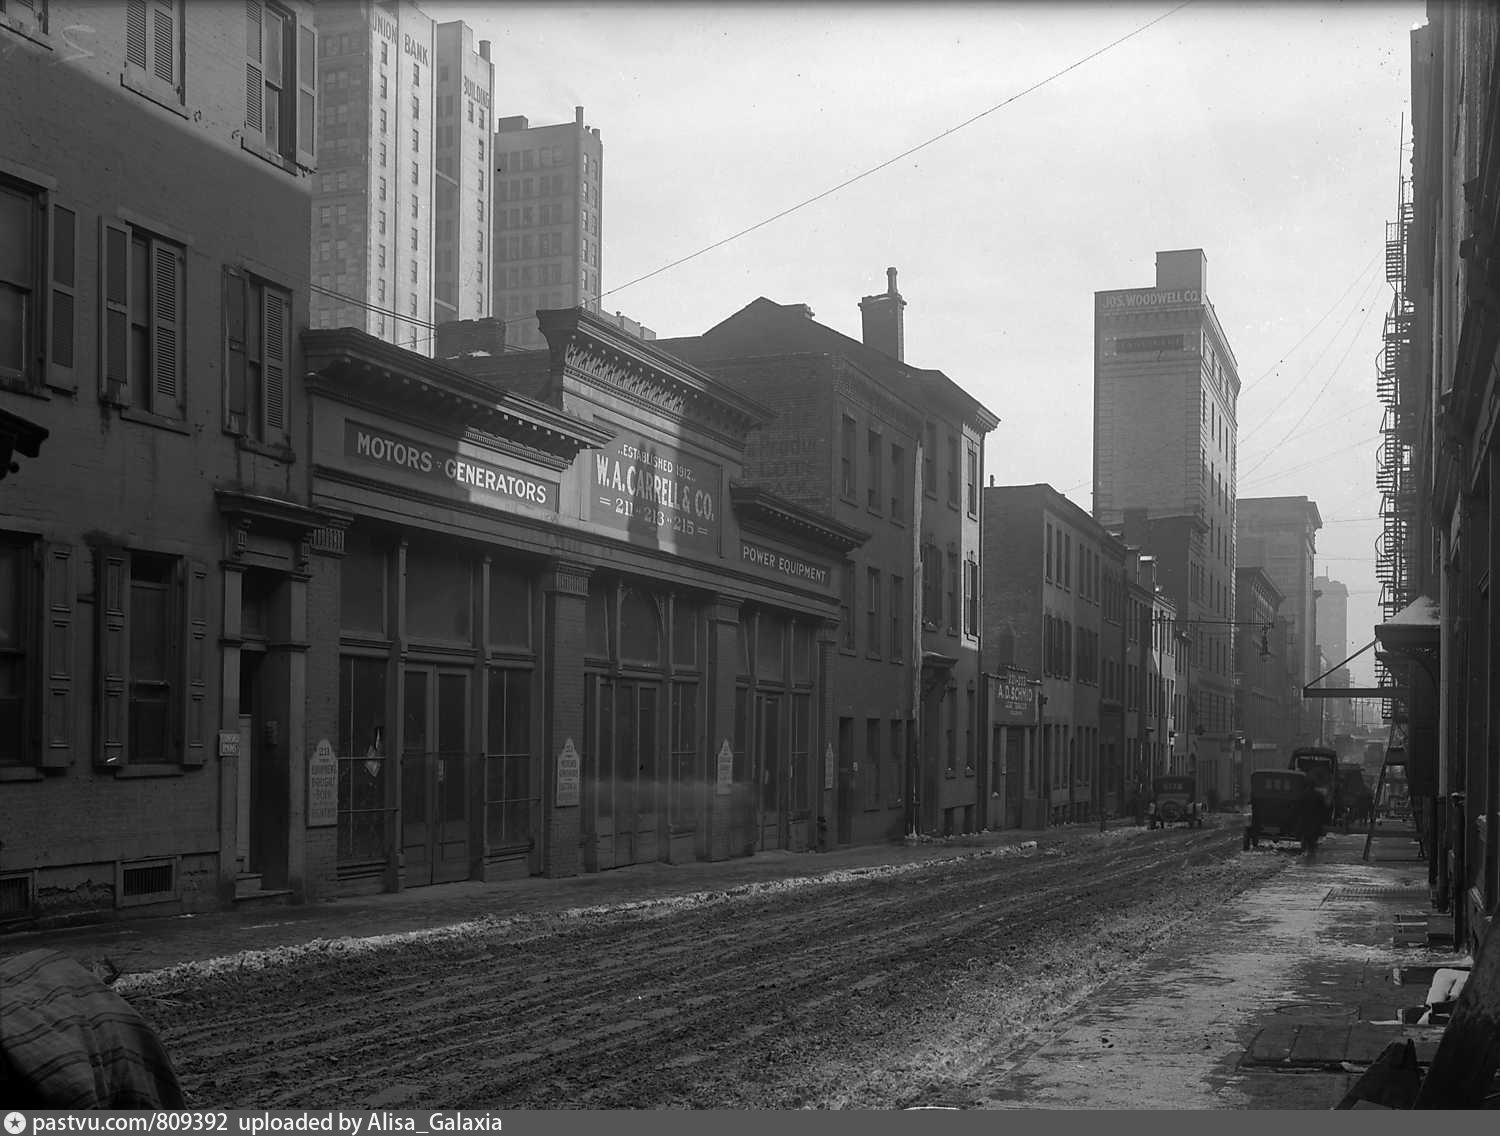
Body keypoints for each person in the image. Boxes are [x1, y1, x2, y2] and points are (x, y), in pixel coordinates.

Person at [1297, 780, 1326, 858]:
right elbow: (1323, 809)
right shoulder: (1319, 796)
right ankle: (1311, 853)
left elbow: (1298, 807)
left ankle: (1305, 852)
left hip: (1305, 819)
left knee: (1305, 836)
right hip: (1315, 820)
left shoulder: (1303, 795)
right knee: (1313, 837)